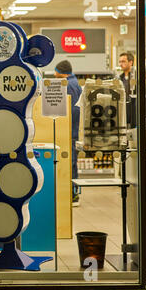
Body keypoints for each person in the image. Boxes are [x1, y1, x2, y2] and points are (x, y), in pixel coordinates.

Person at [54, 60, 83, 203]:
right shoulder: (74, 83)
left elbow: (72, 111)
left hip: (70, 131)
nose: (54, 74)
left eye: (56, 70)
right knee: (72, 162)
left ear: (61, 71)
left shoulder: (68, 85)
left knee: (70, 163)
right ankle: (74, 193)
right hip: (73, 130)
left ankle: (73, 194)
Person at [118, 52, 136, 128]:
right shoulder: (119, 78)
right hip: (123, 109)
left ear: (130, 62)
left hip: (135, 110)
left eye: (123, 61)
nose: (120, 64)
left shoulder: (136, 77)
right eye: (120, 62)